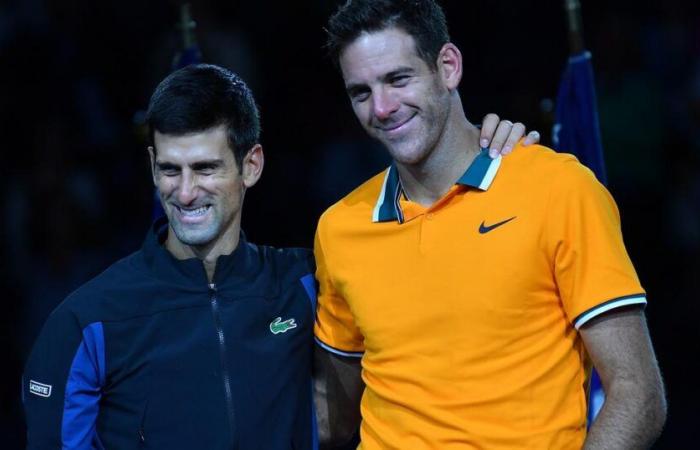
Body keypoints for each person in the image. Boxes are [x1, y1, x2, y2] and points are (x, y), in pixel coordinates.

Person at [22, 63, 529, 448]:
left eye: (205, 168)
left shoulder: (307, 281)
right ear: (152, 167)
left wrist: (482, 150)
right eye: (170, 170)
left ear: (252, 165)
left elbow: (437, 262)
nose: (186, 192)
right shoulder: (87, 321)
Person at [312, 1, 667, 449]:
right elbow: (331, 415)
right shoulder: (339, 227)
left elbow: (638, 392)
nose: (381, 108)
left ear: (448, 66)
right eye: (361, 93)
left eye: (398, 79)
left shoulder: (557, 189)